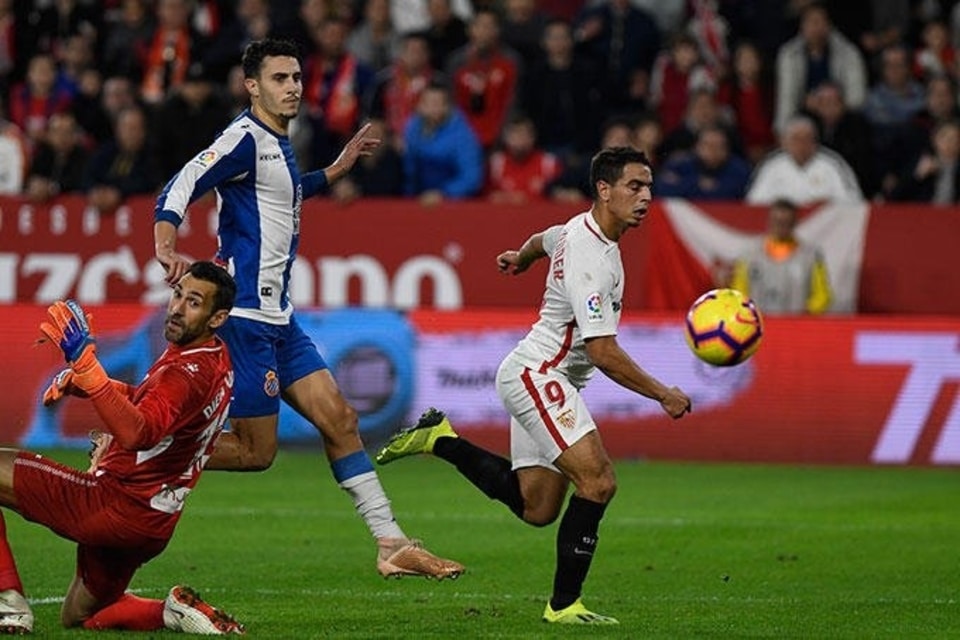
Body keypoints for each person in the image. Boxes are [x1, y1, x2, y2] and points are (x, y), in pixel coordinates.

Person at [153, 38, 463, 580]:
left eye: (296, 77)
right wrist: (165, 241)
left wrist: (336, 169)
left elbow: (285, 191)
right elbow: (183, 182)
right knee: (256, 453)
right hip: (244, 316)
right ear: (252, 86)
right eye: (279, 78)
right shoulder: (243, 139)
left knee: (341, 419)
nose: (292, 86)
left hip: (281, 319)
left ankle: (391, 544)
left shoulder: (277, 143)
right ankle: (145, 450)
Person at [377, 147, 692, 624]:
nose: (646, 196)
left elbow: (545, 238)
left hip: (538, 375)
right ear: (604, 191)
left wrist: (521, 258)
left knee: (538, 507)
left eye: (648, 186)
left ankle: (441, 440)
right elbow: (603, 351)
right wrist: (663, 393)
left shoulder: (579, 229)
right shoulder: (592, 258)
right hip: (541, 376)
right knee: (599, 481)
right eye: (635, 186)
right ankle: (564, 607)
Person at [0, 261, 245, 634]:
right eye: (178, 294)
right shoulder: (212, 355)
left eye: (194, 302)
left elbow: (139, 433)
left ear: (217, 317)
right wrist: (90, 384)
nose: (177, 308)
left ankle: (8, 605)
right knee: (79, 616)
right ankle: (171, 612)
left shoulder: (182, 374)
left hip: (114, 504)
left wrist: (88, 367)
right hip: (152, 524)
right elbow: (150, 403)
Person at [730, 199, 832, 315]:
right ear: (769, 221)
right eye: (777, 221)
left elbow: (822, 295)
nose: (781, 226)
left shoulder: (810, 256)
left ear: (795, 222)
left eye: (786, 222)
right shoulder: (749, 255)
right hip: (759, 326)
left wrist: (807, 315)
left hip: (796, 326)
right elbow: (739, 292)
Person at [745, 115, 863, 206]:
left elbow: (855, 201)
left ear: (815, 142)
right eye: (796, 139)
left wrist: (828, 204)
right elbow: (753, 203)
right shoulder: (771, 166)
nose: (802, 145)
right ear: (784, 143)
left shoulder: (833, 164)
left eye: (807, 139)